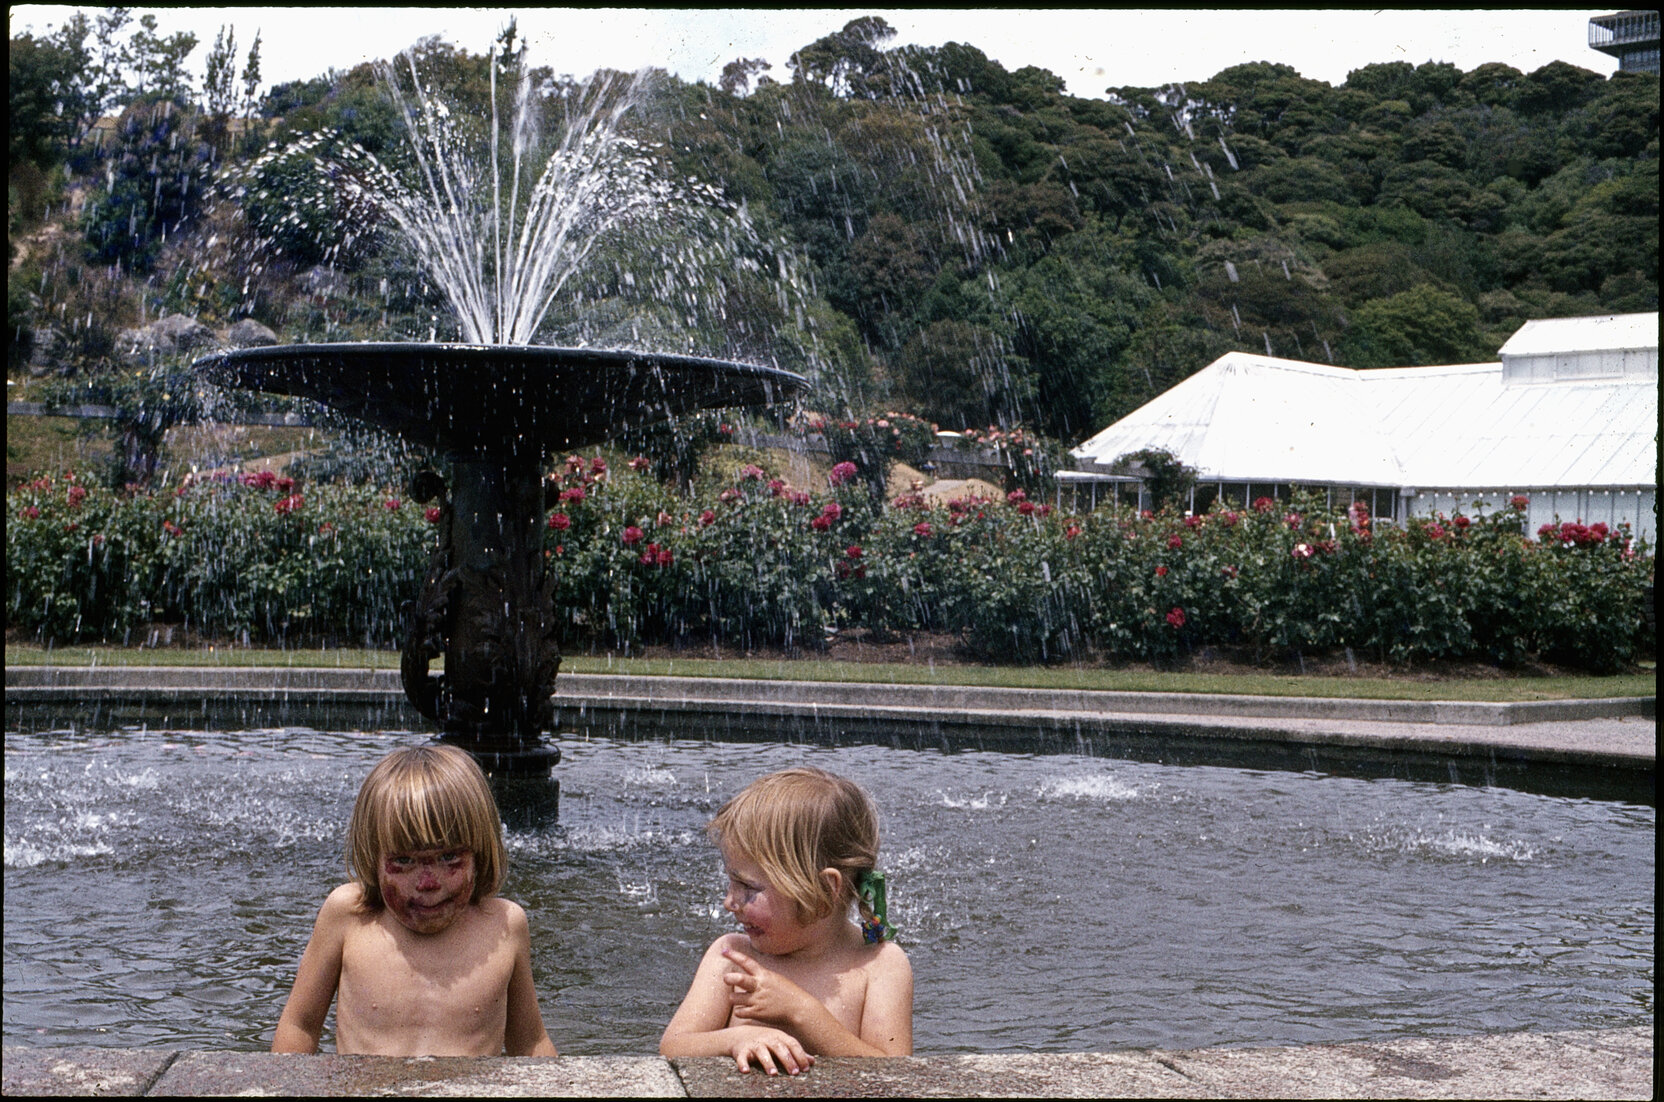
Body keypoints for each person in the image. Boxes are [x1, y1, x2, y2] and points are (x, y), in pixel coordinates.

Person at [271, 744, 557, 1056]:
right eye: (404, 861)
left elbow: (530, 1043)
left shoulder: (503, 925)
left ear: (479, 853)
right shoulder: (350, 915)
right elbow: (299, 1026)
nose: (427, 883)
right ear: (374, 857)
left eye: (449, 858)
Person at [660, 767, 913, 1075]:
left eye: (749, 887)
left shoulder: (878, 965)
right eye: (731, 882)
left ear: (823, 889)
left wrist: (802, 1012)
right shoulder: (731, 957)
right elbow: (674, 1045)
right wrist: (737, 1038)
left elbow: (895, 1074)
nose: (729, 902)